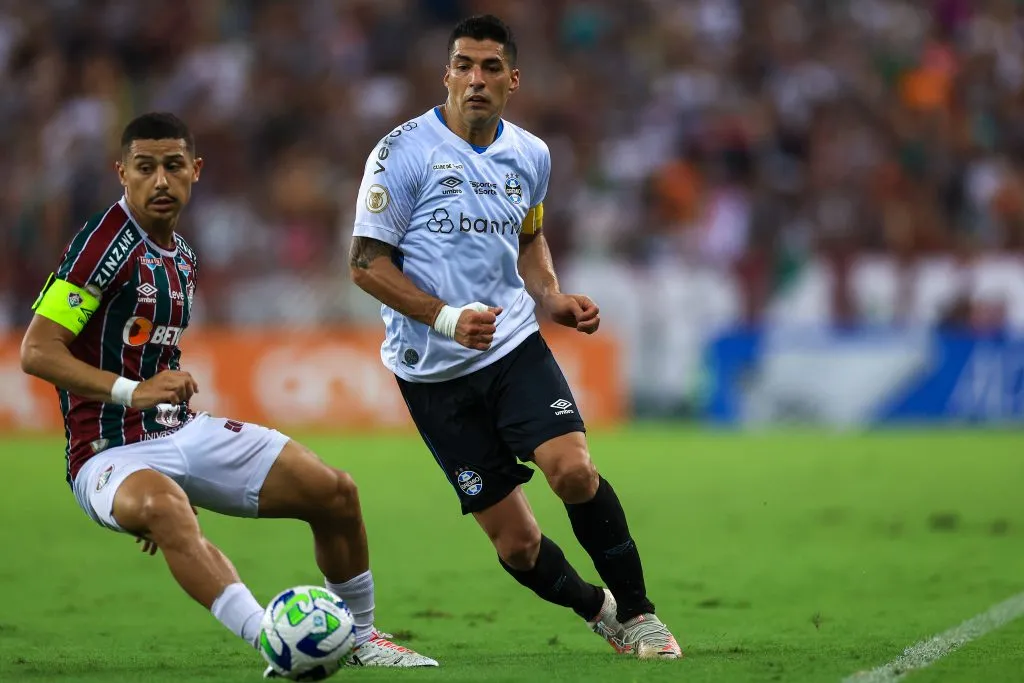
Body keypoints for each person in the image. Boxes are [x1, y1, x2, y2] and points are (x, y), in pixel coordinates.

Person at [20, 112, 437, 673]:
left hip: (175, 430)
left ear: (196, 170)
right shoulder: (101, 246)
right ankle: (275, 642)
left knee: (334, 492)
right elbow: (37, 351)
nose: (161, 181)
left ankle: (361, 637)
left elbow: (149, 359)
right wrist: (133, 392)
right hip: (105, 454)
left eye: (173, 166)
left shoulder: (182, 256)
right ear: (122, 173)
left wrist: (157, 396)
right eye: (145, 168)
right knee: (167, 508)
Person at [348, 15, 681, 659]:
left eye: (491, 67)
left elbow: (527, 236)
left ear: (512, 80)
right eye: (464, 66)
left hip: (510, 346)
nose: (476, 78)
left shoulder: (530, 154)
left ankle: (640, 614)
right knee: (518, 546)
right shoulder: (400, 153)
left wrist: (550, 295)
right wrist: (445, 317)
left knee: (575, 471)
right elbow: (365, 264)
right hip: (432, 373)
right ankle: (599, 610)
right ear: (446, 75)